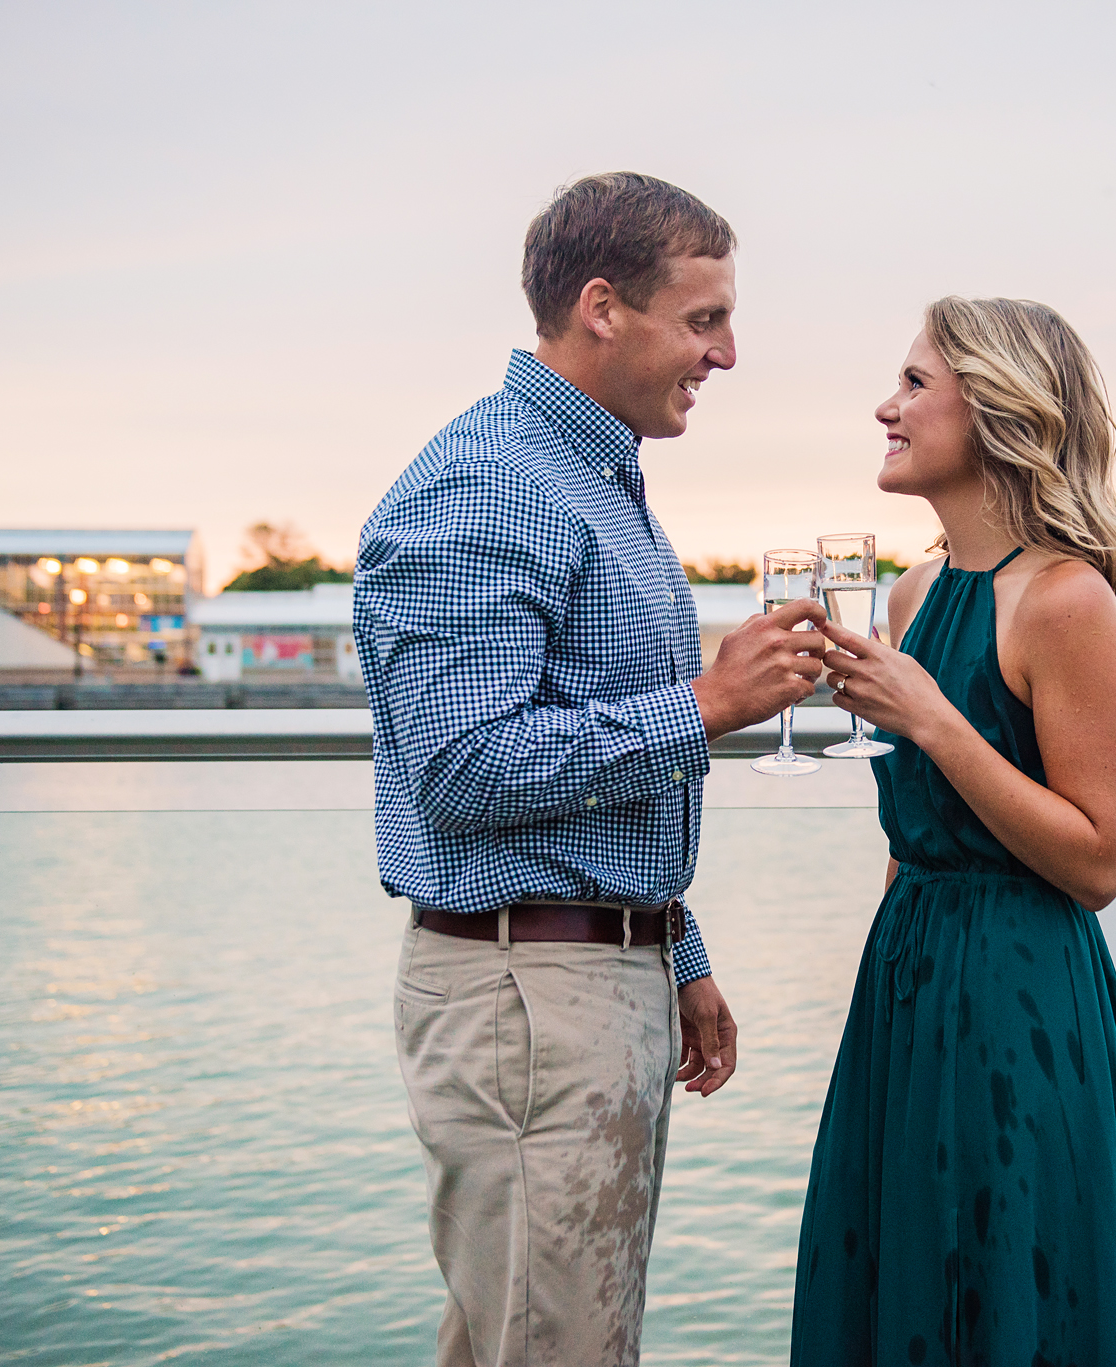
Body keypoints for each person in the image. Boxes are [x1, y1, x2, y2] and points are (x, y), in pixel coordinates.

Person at [354, 172, 827, 1367]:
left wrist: (677, 946)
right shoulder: (492, 480)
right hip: (530, 1000)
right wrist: (710, 702)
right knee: (549, 1347)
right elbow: (462, 766)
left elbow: (567, 755)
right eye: (704, 318)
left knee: (555, 1340)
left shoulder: (587, 473)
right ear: (602, 306)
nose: (727, 353)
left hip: (580, 976)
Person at [791, 297, 1116, 1365]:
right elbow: (914, 822)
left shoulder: (1066, 601)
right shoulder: (917, 587)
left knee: (1010, 1283)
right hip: (907, 981)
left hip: (1023, 1001)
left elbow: (1099, 857)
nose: (887, 405)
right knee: (901, 1271)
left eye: (915, 383)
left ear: (999, 407)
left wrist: (930, 714)